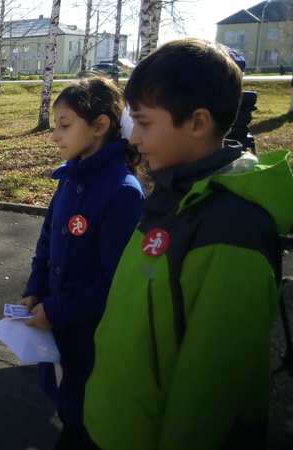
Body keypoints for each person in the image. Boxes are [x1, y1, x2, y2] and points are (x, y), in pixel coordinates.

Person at [84, 38, 293, 449]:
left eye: (144, 124)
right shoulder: (172, 196)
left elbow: (213, 383)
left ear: (197, 123)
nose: (133, 139)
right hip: (119, 426)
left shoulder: (230, 225)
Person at [19, 75, 144, 449]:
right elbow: (46, 242)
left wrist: (56, 310)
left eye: (65, 125)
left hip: (93, 341)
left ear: (100, 125)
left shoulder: (122, 193)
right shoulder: (70, 179)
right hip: (62, 331)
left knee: (85, 423)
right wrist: (35, 289)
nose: (55, 135)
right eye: (56, 125)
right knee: (69, 407)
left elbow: (114, 282)